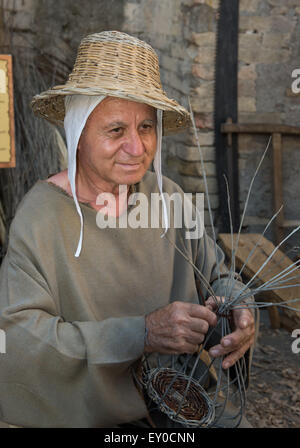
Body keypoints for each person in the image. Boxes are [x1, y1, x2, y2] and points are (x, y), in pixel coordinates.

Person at [0, 31, 255, 428]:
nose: (137, 148)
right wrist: (141, 333)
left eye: (146, 128)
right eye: (116, 131)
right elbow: (20, 342)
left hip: (180, 399)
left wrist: (238, 306)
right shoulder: (41, 219)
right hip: (92, 414)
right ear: (78, 133)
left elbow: (218, 276)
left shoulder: (167, 197)